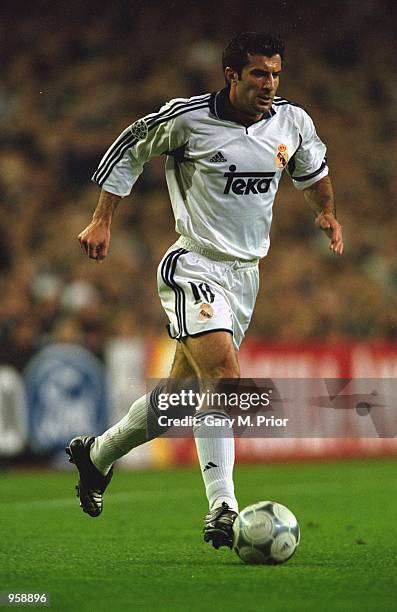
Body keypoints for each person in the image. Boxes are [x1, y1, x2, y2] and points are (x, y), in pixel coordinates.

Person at [66, 32, 343, 550]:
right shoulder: (188, 119)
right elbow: (130, 145)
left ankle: (97, 455)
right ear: (232, 75)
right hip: (193, 264)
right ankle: (223, 506)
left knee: (178, 399)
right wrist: (102, 218)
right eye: (260, 74)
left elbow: (314, 169)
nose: (270, 84)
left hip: (245, 277)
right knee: (223, 377)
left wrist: (325, 211)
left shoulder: (291, 121)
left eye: (276, 73)